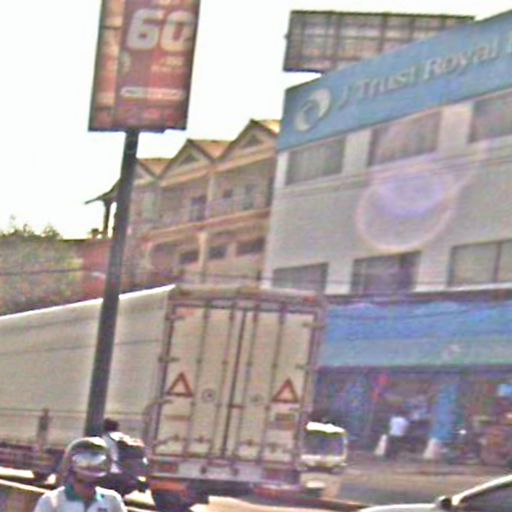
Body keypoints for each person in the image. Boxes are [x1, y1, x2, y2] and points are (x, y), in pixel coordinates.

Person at [33, 437, 127, 512]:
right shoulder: (52, 500)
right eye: (84, 462)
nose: (91, 469)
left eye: (99, 463)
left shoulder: (111, 500)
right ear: (71, 466)